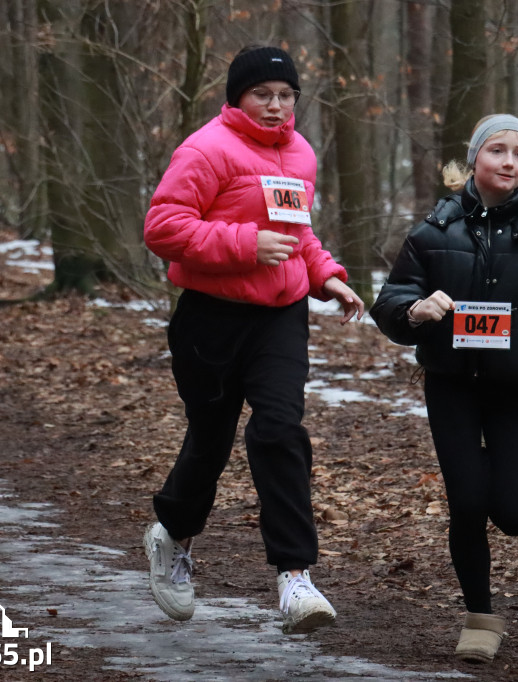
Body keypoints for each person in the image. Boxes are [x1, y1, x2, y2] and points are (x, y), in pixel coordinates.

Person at [142, 45, 363, 635]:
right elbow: (162, 226)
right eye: (262, 94)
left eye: (285, 95)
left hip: (279, 317)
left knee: (279, 430)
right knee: (210, 441)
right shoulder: (206, 148)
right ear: (237, 96)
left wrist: (328, 276)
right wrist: (244, 244)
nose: (275, 105)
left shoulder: (301, 153)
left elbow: (297, 232)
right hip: (210, 318)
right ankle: (173, 534)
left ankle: (296, 578)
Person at [370, 114, 518, 663]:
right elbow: (390, 304)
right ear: (472, 160)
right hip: (451, 387)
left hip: (511, 391)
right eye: (497, 150)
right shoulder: (435, 230)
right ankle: (479, 616)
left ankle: (491, 472)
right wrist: (416, 309)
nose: (509, 162)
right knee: (467, 502)